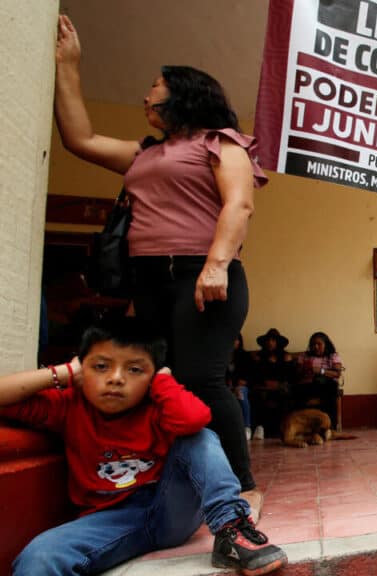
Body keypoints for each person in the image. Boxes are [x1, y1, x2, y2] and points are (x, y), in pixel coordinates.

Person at [54, 15, 264, 516]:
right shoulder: (145, 153)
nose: (145, 96)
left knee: (201, 380)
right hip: (149, 278)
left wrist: (216, 265)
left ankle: (243, 486)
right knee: (156, 378)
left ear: (183, 95)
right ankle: (170, 479)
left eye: (155, 87)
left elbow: (238, 205)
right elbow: (79, 139)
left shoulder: (221, 141)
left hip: (202, 275)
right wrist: (67, 66)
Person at [0, 319, 286, 575]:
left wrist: (162, 383)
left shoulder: (158, 405)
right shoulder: (68, 405)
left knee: (198, 437)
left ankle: (231, 529)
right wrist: (62, 373)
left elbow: (195, 419)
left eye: (135, 369)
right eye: (100, 366)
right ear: (81, 369)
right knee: (39, 556)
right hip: (106, 522)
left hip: (170, 509)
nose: (116, 378)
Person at [250, 328, 295, 440]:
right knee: (258, 394)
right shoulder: (259, 357)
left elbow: (290, 377)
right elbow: (255, 375)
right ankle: (260, 427)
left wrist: (278, 384)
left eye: (273, 340)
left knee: (285, 393)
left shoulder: (286, 356)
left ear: (278, 342)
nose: (270, 343)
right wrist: (265, 383)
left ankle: (283, 428)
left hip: (281, 386)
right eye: (268, 340)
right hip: (263, 386)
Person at [295, 331, 345, 430]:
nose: (316, 347)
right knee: (295, 390)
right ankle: (301, 426)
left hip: (326, 385)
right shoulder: (304, 356)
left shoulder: (333, 356)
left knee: (330, 388)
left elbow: (337, 374)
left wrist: (320, 371)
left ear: (326, 344)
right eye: (313, 344)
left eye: (319, 344)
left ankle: (330, 426)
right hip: (308, 385)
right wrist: (305, 370)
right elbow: (297, 374)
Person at [227, 334, 253, 440]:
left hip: (242, 386)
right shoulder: (223, 355)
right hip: (226, 386)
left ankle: (246, 427)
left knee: (241, 392)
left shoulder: (245, 356)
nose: (234, 342)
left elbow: (248, 375)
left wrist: (238, 384)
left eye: (236, 340)